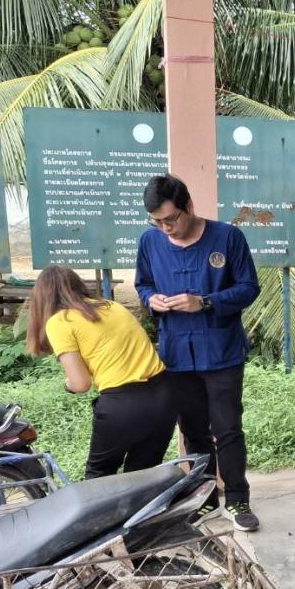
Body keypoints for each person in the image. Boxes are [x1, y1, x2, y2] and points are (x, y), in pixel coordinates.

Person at [135, 173, 262, 532]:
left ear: (189, 206)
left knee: (227, 428)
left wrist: (205, 302)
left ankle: (238, 499)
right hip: (177, 353)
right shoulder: (150, 243)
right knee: (193, 431)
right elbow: (142, 284)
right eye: (158, 222)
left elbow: (248, 288)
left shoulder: (228, 237)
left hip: (221, 351)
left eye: (171, 219)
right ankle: (205, 500)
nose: (166, 229)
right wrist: (152, 300)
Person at [26, 265, 176, 477]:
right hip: (164, 396)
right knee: (143, 478)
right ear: (78, 285)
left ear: (42, 298)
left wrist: (67, 384)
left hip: (122, 404)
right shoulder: (111, 306)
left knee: (98, 479)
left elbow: (80, 384)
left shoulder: (60, 322)